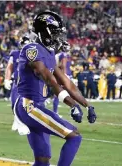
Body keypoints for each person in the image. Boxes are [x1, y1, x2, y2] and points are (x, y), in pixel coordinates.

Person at [13, 11, 97, 166]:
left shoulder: (49, 53)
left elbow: (67, 82)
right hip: (29, 106)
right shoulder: (32, 49)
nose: (59, 38)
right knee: (74, 136)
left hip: (36, 106)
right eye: (56, 34)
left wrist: (87, 105)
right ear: (45, 32)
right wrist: (72, 105)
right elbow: (48, 78)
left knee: (43, 160)